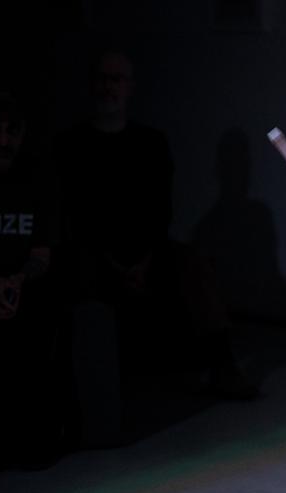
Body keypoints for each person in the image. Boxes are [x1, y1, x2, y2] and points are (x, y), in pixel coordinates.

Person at [55, 50, 257, 400]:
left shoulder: (150, 143)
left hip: (146, 249)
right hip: (95, 253)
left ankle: (223, 367)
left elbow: (160, 209)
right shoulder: (72, 145)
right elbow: (76, 215)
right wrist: (114, 265)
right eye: (103, 78)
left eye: (117, 79)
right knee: (80, 271)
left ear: (130, 86)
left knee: (193, 263)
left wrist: (144, 261)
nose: (109, 87)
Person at [0, 90, 63, 469]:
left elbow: (42, 255)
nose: (3, 140)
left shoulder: (36, 180)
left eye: (12, 130)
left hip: (21, 293)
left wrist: (15, 282)